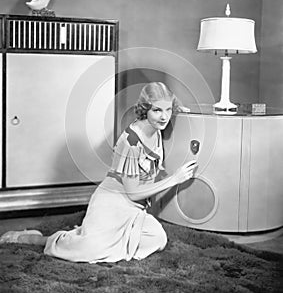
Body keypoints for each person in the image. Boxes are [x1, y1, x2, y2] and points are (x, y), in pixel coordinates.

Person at [0, 82, 197, 263]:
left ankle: (97, 236)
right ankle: (37, 239)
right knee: (89, 250)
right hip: (113, 201)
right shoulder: (130, 141)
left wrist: (180, 111)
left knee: (158, 239)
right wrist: (174, 179)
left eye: (168, 110)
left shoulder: (158, 126)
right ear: (145, 110)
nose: (164, 116)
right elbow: (133, 193)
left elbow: (171, 107)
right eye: (157, 110)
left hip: (135, 209)